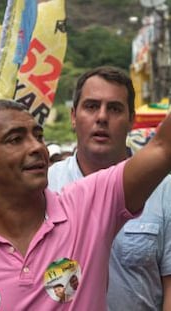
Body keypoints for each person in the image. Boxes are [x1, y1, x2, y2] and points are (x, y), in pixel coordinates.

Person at [0, 99, 171, 310]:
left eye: (38, 135)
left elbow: (162, 148)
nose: (37, 147)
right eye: (15, 139)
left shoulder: (89, 205)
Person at [47, 66, 171, 310]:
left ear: (131, 120)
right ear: (73, 116)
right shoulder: (45, 187)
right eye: (91, 106)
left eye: (114, 108)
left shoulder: (164, 189)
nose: (102, 117)